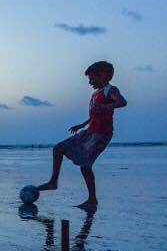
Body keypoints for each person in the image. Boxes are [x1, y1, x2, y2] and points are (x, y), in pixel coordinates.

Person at [37, 61, 127, 209]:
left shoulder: (111, 90)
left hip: (101, 135)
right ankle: (53, 182)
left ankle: (92, 200)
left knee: (85, 166)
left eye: (92, 79)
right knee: (58, 149)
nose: (90, 82)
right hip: (89, 131)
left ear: (104, 75)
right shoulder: (95, 94)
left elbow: (122, 102)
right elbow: (95, 113)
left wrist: (107, 106)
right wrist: (83, 124)